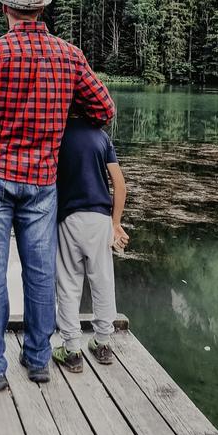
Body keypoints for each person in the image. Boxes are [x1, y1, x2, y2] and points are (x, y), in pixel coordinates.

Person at [0, 0, 115, 391]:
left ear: (6, 9)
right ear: (40, 9)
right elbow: (104, 109)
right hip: (42, 182)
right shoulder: (69, 56)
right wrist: (66, 114)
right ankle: (38, 360)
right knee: (39, 273)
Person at [52, 115, 128, 371]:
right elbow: (119, 185)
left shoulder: (58, 134)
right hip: (99, 218)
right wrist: (115, 223)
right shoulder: (101, 136)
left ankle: (71, 349)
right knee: (102, 280)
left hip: (68, 217)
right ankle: (103, 343)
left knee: (69, 282)